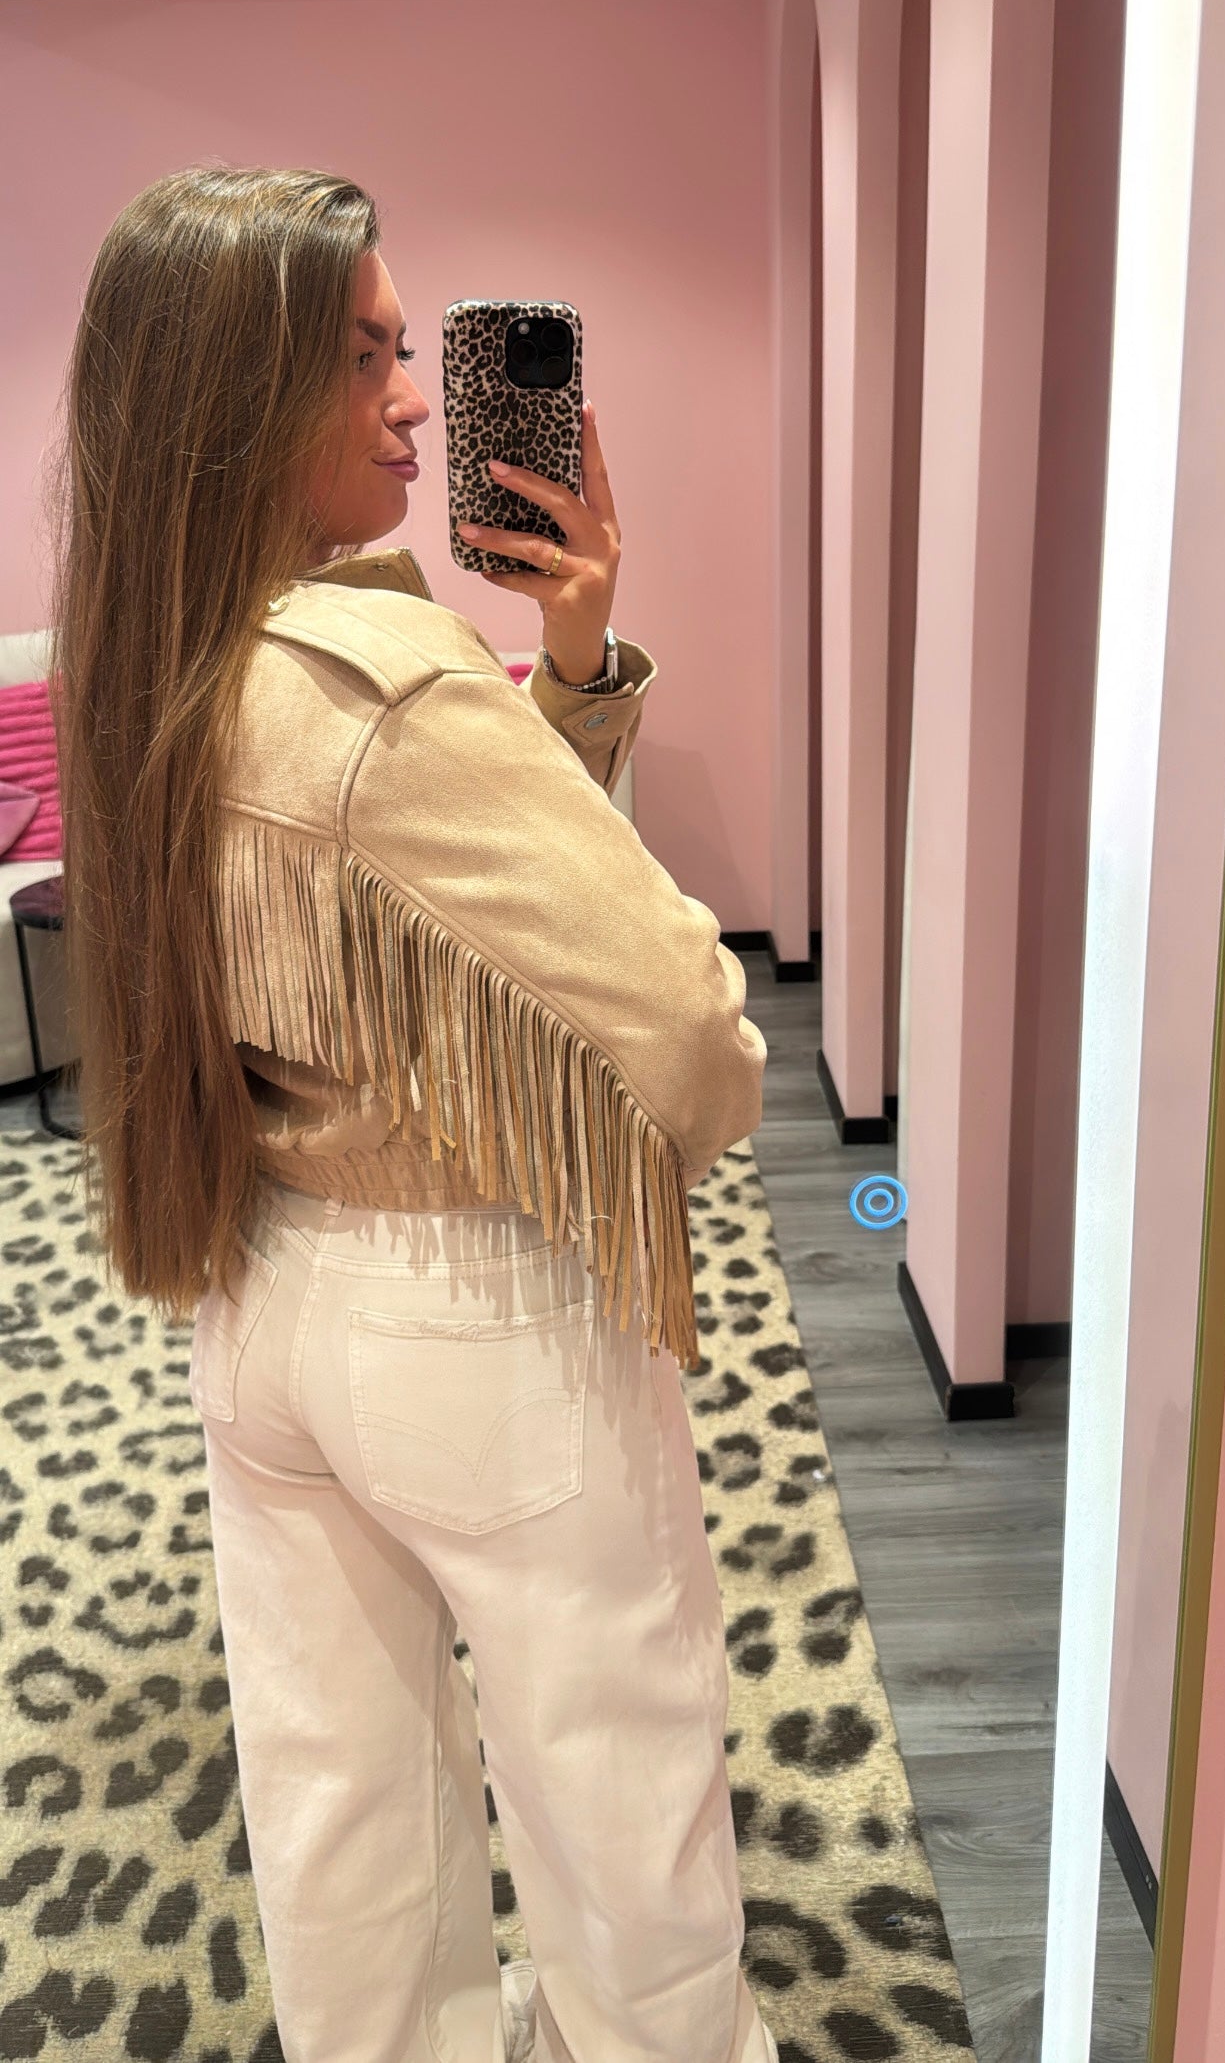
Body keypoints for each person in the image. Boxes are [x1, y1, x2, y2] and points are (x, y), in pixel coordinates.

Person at [49, 166, 776, 2063]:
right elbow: (689, 1034)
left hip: (258, 1293)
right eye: (364, 355)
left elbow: (420, 912)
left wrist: (572, 667)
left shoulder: (154, 656)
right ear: (240, 390)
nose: (410, 400)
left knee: (344, 1813)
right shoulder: (384, 687)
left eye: (406, 349)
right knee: (619, 1811)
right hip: (474, 1315)